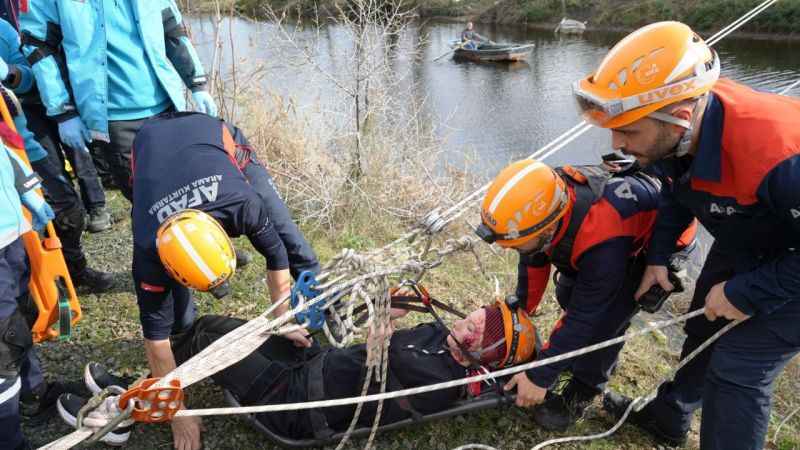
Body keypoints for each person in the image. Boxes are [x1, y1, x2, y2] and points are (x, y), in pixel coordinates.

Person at [572, 21, 800, 450]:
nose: (617, 142)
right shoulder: (679, 135)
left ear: (678, 118)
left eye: (628, 130)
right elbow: (679, 191)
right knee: (706, 324)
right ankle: (669, 417)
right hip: (757, 232)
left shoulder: (779, 154)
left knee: (739, 368)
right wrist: (659, 257)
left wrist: (748, 292)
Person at [58, 295, 538, 444]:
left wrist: (380, 325)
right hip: (312, 362)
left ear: (484, 348)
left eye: (480, 325)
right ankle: (158, 380)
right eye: (477, 314)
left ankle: (127, 406)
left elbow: (380, 361)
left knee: (210, 338)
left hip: (293, 402)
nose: (470, 320)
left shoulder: (440, 384)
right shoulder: (442, 336)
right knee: (212, 323)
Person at [112, 111, 319, 449]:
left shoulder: (245, 205)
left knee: (287, 235)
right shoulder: (148, 251)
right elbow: (157, 342)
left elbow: (277, 256)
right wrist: (178, 415)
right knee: (176, 325)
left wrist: (282, 319)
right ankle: (188, 327)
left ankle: (323, 300)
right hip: (148, 146)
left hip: (208, 135)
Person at [475, 158, 695, 431]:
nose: (511, 249)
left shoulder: (602, 241)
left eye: (516, 244)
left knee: (604, 324)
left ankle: (585, 388)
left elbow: (585, 316)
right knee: (568, 292)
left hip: (651, 248)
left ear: (547, 229)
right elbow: (532, 257)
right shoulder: (542, 202)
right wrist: (520, 311)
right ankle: (570, 357)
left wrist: (541, 375)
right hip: (603, 240)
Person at [19, 0, 217, 202]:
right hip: (114, 122)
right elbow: (38, 45)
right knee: (149, 202)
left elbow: (172, 28)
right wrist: (63, 112)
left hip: (168, 107)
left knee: (188, 191)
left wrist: (196, 82)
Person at [0, 18, 113, 292]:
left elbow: (30, 78)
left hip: (22, 141)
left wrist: (9, 73)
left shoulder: (4, 31)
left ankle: (72, 272)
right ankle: (27, 294)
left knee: (66, 209)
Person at [0, 111, 55, 450]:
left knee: (22, 317)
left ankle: (33, 393)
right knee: (3, 342)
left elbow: (5, 147)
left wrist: (29, 190)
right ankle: (9, 438)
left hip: (10, 230)